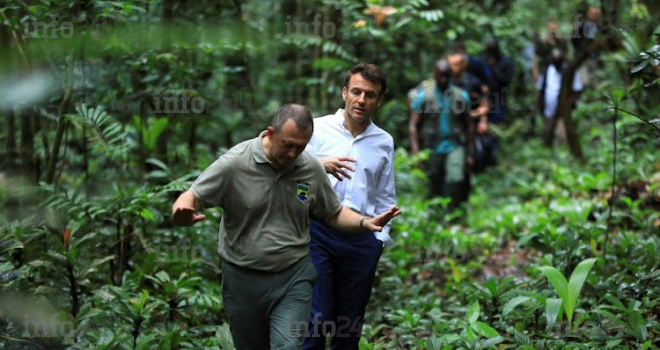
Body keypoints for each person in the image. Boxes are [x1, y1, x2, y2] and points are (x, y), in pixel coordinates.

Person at [171, 104, 401, 350]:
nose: (293, 154)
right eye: (287, 145)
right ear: (270, 133)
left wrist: (366, 223)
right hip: (243, 277)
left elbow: (333, 213)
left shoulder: (309, 168)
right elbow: (192, 194)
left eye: (300, 147)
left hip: (293, 276)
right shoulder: (235, 163)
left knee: (288, 346)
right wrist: (181, 211)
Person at [303, 63, 396, 349]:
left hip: (360, 239)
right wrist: (319, 167)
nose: (361, 100)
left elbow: (385, 196)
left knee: (349, 326)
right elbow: (293, 176)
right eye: (356, 91)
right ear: (344, 93)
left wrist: (378, 240)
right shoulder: (317, 129)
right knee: (315, 321)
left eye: (370, 95)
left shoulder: (383, 142)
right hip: (318, 235)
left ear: (378, 101)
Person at [408, 59, 473, 211]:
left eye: (447, 76)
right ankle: (434, 213)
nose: (444, 79)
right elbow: (413, 125)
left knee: (455, 178)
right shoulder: (423, 96)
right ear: (435, 75)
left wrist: (470, 152)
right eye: (441, 76)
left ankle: (453, 212)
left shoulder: (461, 96)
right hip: (432, 146)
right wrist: (416, 151)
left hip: (454, 144)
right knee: (433, 180)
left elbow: (469, 125)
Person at [447, 52, 498, 174]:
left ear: (464, 65)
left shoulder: (473, 82)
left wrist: (481, 119)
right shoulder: (445, 81)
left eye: (456, 65)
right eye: (450, 65)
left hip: (470, 124)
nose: (453, 68)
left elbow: (484, 104)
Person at [536, 48, 583, 147]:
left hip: (565, 111)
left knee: (563, 137)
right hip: (549, 110)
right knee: (548, 133)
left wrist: (569, 103)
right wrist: (539, 105)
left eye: (559, 61)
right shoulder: (547, 70)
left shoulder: (569, 71)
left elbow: (578, 90)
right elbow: (540, 89)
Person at [481, 38, 514, 124]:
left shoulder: (506, 62)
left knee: (497, 123)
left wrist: (495, 69)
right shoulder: (482, 60)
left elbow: (506, 82)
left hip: (499, 99)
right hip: (483, 99)